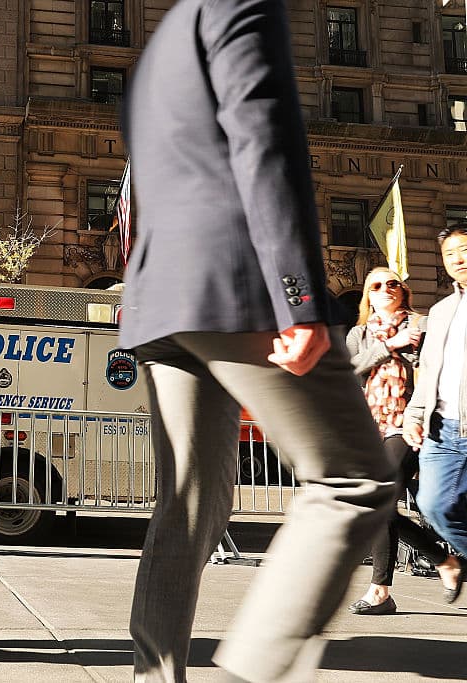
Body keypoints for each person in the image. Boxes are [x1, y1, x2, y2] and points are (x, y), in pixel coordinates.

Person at [117, 0, 397, 680]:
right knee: (355, 480)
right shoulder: (239, 3)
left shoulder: (163, 41)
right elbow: (263, 135)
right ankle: (258, 670)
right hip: (236, 284)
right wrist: (299, 298)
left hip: (163, 302)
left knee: (189, 509)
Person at [345, 268, 460, 615]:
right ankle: (444, 560)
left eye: (393, 282)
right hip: (370, 427)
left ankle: (380, 589)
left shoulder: (424, 325)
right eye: (376, 285)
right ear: (368, 296)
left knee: (380, 499)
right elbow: (349, 369)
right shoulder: (359, 333)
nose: (385, 289)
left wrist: (412, 345)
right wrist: (388, 346)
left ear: (404, 290)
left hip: (410, 422)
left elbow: (436, 369)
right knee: (377, 505)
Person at [403, 223, 467, 603]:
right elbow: (429, 372)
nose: (459, 259)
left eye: (465, 249)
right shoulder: (441, 311)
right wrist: (414, 415)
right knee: (433, 504)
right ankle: (455, 561)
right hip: (442, 427)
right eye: (450, 254)